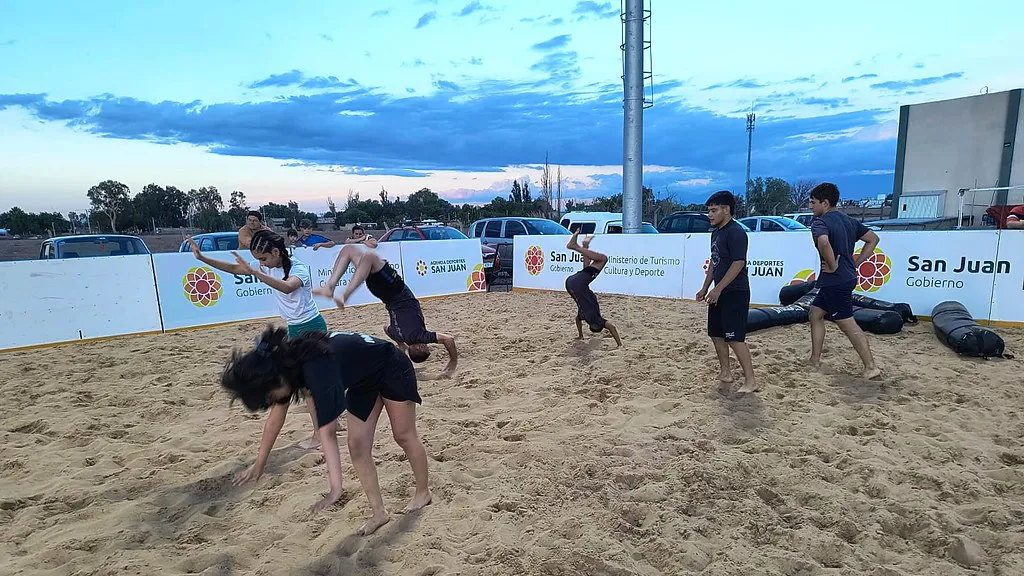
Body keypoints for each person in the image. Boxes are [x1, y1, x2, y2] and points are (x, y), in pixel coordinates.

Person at [220, 325, 432, 535]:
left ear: (273, 380)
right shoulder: (284, 367)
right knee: (357, 446)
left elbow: (327, 433)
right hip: (363, 380)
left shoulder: (315, 370)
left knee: (403, 435)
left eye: (269, 396)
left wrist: (335, 489)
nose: (271, 400)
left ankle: (423, 493)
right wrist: (259, 464)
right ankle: (379, 513)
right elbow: (275, 419)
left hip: (391, 366)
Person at [188, 229, 328, 451]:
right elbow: (234, 269)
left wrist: (256, 272)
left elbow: (288, 287)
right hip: (294, 328)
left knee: (307, 387)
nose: (261, 263)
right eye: (258, 260)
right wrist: (203, 258)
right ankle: (329, 424)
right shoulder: (267, 266)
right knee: (309, 384)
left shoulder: (298, 268)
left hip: (311, 327)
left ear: (276, 252)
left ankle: (319, 435)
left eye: (263, 258)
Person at [312, 244, 459, 376]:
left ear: (420, 347)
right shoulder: (397, 334)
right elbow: (385, 327)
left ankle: (342, 293)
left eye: (427, 348)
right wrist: (401, 344)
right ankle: (329, 288)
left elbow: (448, 339)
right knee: (350, 250)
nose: (427, 345)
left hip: (396, 290)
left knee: (369, 256)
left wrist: (453, 360)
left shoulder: (421, 336)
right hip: (381, 293)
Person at [807, 182, 882, 380]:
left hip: (836, 280)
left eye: (813, 202)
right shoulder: (849, 221)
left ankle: (871, 367)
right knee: (815, 313)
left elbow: (823, 242)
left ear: (825, 203)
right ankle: (815, 359)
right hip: (843, 277)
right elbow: (873, 239)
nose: (810, 206)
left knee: (847, 323)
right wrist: (856, 262)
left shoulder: (820, 222)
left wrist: (832, 265)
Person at [696, 190, 757, 393]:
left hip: (735, 291)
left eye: (714, 210)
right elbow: (714, 262)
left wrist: (719, 288)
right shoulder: (716, 232)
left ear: (726, 210)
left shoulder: (736, 232)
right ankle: (726, 373)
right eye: (709, 211)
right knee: (716, 334)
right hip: (719, 292)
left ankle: (751, 381)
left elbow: (738, 263)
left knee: (734, 338)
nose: (710, 215)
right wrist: (706, 287)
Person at [563, 230, 622, 347]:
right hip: (570, 285)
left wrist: (619, 344)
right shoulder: (583, 315)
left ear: (597, 326)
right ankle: (584, 246)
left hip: (577, 284)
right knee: (588, 269)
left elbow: (612, 327)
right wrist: (580, 335)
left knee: (603, 259)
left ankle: (575, 246)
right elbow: (577, 320)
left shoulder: (597, 320)